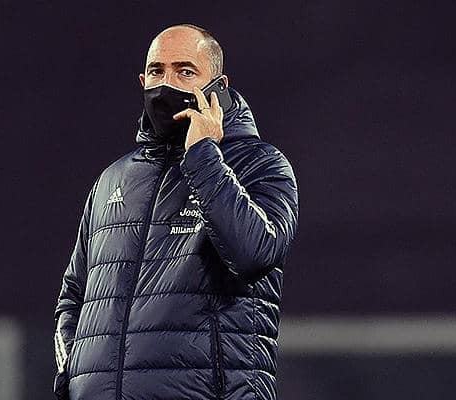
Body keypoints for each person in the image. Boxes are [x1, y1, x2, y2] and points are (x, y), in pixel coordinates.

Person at [53, 24, 299, 400]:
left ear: (218, 86)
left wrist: (203, 156)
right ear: (142, 81)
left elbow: (255, 254)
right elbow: (73, 295)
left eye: (185, 71)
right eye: (157, 71)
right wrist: (73, 375)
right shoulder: (112, 180)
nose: (167, 84)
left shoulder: (260, 164)